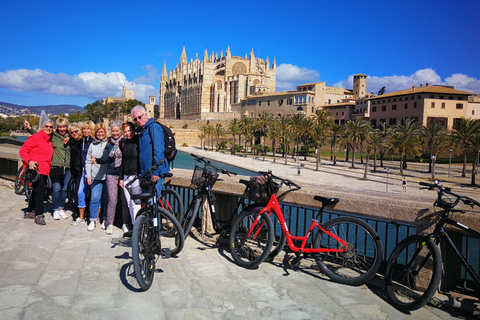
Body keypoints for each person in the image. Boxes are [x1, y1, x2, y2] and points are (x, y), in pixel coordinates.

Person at [19, 119, 54, 226]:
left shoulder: (49, 140)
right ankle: (39, 214)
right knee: (40, 191)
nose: (48, 128)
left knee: (36, 191)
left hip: (44, 170)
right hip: (36, 170)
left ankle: (29, 211)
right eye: (46, 126)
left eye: (51, 127)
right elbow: (23, 151)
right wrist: (29, 161)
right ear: (42, 127)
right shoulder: (35, 138)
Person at [131, 105, 170, 199]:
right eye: (135, 119)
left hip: (155, 173)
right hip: (146, 173)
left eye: (139, 117)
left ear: (145, 115)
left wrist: (156, 172)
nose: (138, 120)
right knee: (149, 205)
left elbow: (158, 151)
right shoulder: (142, 131)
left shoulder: (154, 127)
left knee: (152, 204)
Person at [95, 120, 124, 235]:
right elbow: (105, 158)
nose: (115, 133)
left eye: (117, 130)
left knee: (125, 200)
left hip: (123, 174)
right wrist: (96, 160)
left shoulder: (125, 142)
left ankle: (124, 223)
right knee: (112, 199)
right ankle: (110, 223)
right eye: (113, 131)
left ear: (120, 131)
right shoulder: (109, 144)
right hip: (111, 173)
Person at [84, 123, 109, 231]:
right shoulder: (92, 145)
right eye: (98, 131)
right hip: (95, 176)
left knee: (106, 199)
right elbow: (88, 161)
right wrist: (88, 175)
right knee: (94, 198)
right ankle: (93, 220)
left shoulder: (108, 143)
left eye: (102, 131)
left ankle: (105, 219)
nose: (100, 133)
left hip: (107, 176)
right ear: (95, 133)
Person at [119, 122, 141, 234]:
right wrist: (121, 178)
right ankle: (134, 226)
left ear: (133, 129)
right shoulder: (123, 143)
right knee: (129, 203)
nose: (127, 133)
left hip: (136, 177)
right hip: (126, 177)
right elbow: (122, 162)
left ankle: (138, 228)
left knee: (136, 204)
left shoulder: (138, 141)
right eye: (125, 131)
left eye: (129, 130)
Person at [72, 121, 95, 226]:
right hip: (84, 170)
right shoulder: (82, 141)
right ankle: (81, 216)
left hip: (94, 171)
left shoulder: (94, 141)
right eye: (84, 129)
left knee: (94, 195)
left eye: (88, 129)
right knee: (81, 193)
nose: (86, 131)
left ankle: (94, 217)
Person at [50, 117, 71, 220]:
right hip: (55, 166)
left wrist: (70, 137)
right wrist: (29, 128)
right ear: (57, 127)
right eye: (60, 126)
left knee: (64, 190)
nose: (62, 129)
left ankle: (61, 209)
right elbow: (38, 135)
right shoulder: (53, 136)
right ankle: (55, 210)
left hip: (67, 167)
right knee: (56, 189)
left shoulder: (71, 135)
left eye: (64, 126)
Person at [67, 122, 83, 220]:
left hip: (83, 170)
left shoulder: (83, 141)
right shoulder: (71, 141)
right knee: (76, 192)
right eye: (71, 132)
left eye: (76, 131)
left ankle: (82, 213)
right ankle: (77, 211)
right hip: (74, 170)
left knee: (81, 192)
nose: (74, 134)